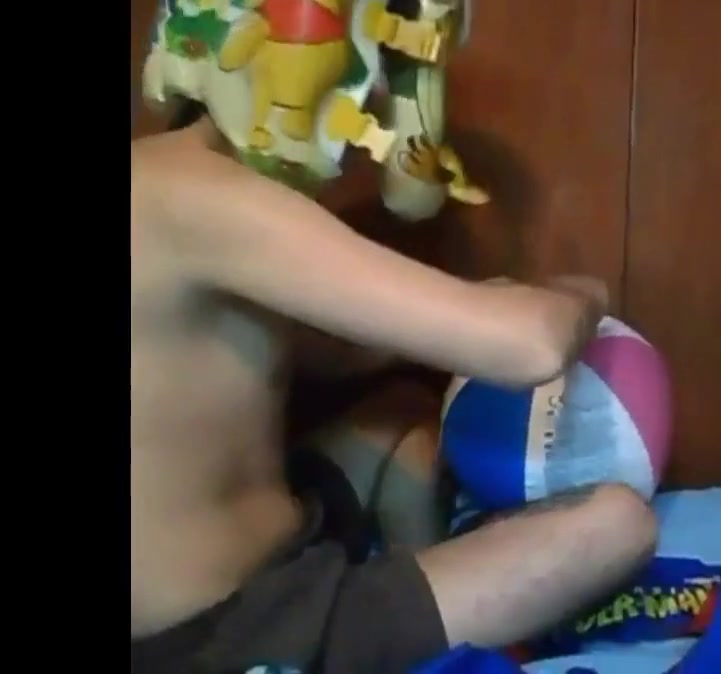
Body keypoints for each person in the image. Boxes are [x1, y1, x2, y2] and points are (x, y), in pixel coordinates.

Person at [130, 112, 659, 673]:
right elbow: (535, 348)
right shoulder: (199, 194)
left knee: (402, 411)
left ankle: (418, 594)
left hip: (286, 538)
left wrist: (472, 306)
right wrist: (578, 298)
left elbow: (325, 351)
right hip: (225, 637)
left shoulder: (172, 177)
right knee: (618, 523)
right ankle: (415, 613)